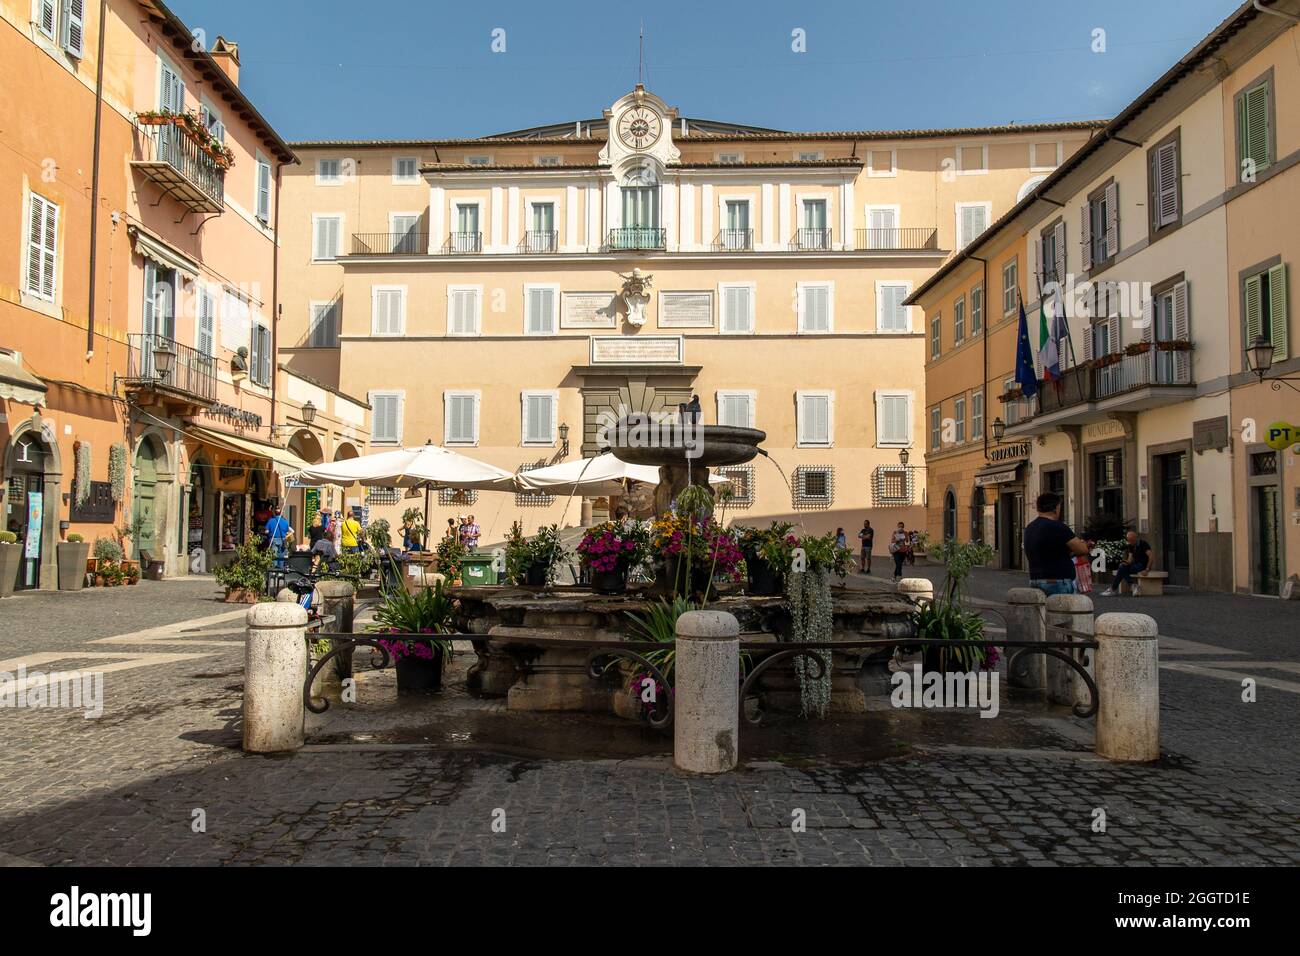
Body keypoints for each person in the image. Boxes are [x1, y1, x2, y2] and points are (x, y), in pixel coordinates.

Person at [1022, 492, 1090, 596]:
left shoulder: (1030, 527)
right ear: (1056, 508)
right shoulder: (1058, 527)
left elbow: (1051, 552)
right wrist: (1085, 544)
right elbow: (1082, 550)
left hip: (1036, 580)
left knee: (1045, 611)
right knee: (1065, 611)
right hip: (1057, 582)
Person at [1101, 530, 1153, 596]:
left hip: (1142, 565)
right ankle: (1132, 585)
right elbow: (1130, 559)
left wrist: (1147, 569)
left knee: (1122, 570)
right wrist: (1125, 562)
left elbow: (1151, 556)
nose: (1130, 542)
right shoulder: (1130, 546)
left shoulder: (1143, 543)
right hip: (1135, 565)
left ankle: (1113, 589)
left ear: (1135, 537)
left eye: (1132, 540)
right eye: (1129, 540)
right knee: (1122, 567)